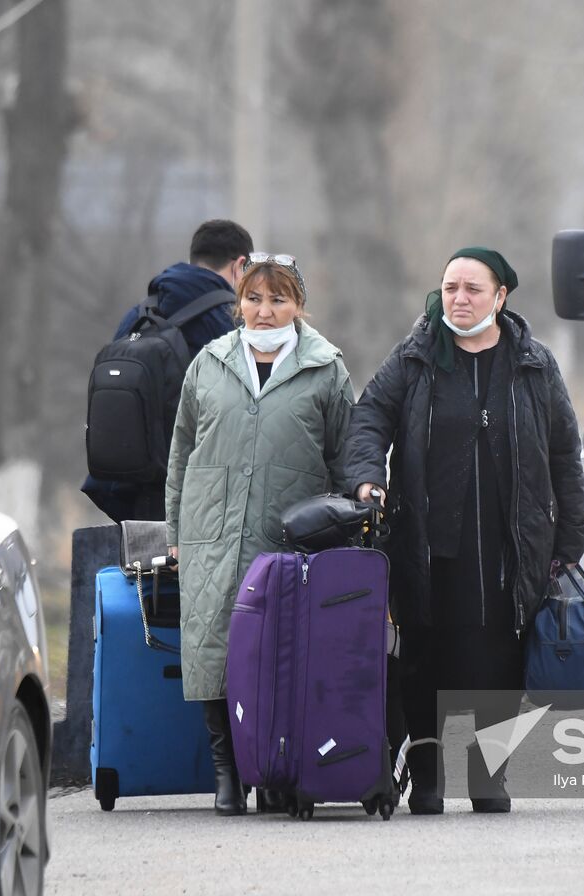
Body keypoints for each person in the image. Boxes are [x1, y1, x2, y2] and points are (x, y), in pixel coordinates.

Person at [344, 246, 584, 815]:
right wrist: (364, 480)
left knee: (499, 663)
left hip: (509, 546)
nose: (458, 299)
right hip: (429, 545)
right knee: (425, 657)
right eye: (450, 287)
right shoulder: (415, 357)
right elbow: (370, 417)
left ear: (501, 297)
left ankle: (489, 776)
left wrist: (570, 536)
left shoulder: (533, 363)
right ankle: (427, 777)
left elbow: (563, 454)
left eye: (472, 289)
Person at [164, 253, 355, 816]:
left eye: (279, 299)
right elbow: (180, 455)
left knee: (282, 653)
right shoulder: (209, 363)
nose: (265, 311)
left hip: (288, 540)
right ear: (238, 303)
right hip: (212, 534)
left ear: (299, 306)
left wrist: (346, 530)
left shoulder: (326, 368)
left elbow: (345, 458)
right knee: (216, 650)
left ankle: (277, 765)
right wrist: (175, 533)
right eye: (254, 298)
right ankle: (228, 772)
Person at [81, 219, 254, 522]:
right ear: (240, 266)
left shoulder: (139, 314)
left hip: (132, 488)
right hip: (203, 495)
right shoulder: (230, 322)